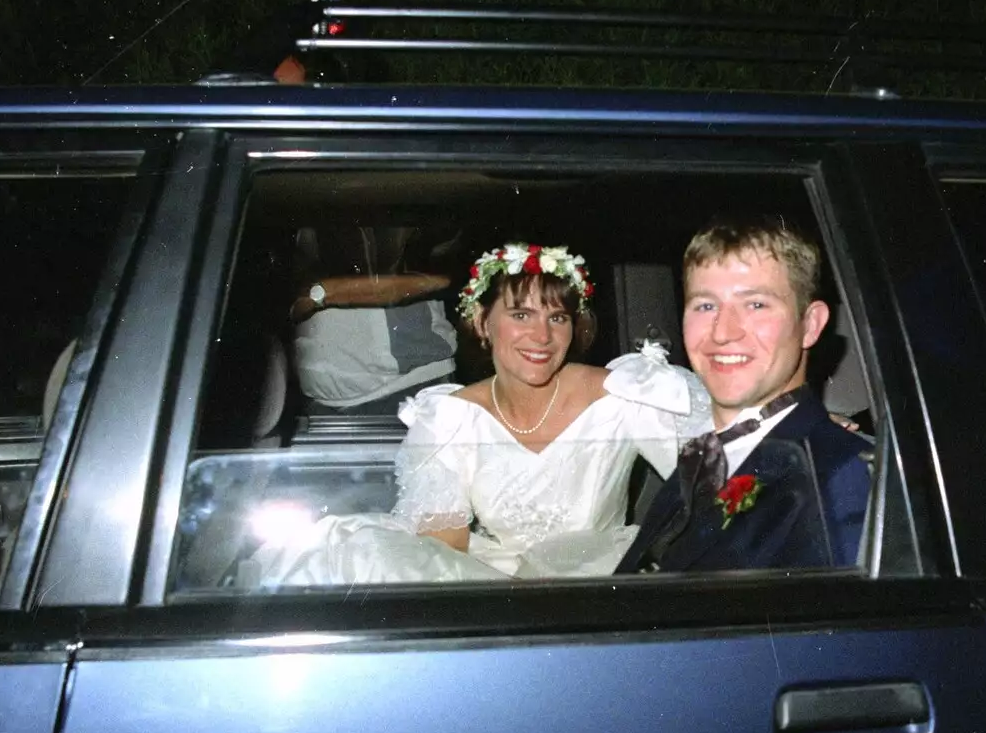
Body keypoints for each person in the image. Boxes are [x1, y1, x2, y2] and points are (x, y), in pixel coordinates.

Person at [250, 243, 711, 586]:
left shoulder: (625, 393)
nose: (541, 336)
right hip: (490, 580)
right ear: (482, 322)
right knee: (347, 548)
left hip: (598, 581)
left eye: (557, 318)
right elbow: (441, 554)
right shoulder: (448, 418)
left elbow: (721, 480)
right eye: (521, 315)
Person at [616, 216, 872, 574]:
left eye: (755, 305)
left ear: (810, 325)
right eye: (706, 306)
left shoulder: (838, 479)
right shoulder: (706, 451)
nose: (722, 332)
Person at [288, 226, 461, 416]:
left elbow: (438, 281)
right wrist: (324, 292)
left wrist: (326, 292)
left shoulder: (415, 224)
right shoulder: (309, 230)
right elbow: (301, 301)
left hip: (412, 382)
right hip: (325, 404)